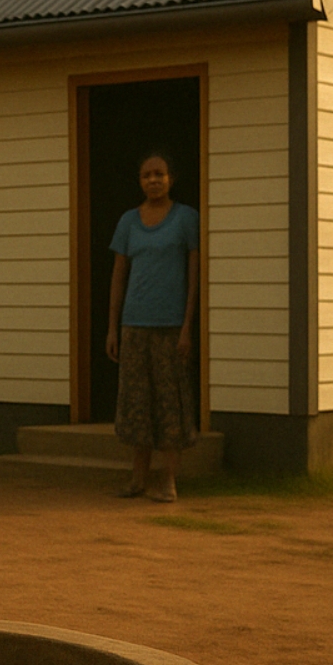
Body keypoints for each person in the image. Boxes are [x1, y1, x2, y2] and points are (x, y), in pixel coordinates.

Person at [105, 152, 199, 502]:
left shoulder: (186, 219)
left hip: (171, 325)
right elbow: (118, 276)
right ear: (140, 181)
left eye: (160, 174)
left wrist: (187, 326)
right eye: (147, 175)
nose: (153, 180)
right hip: (134, 324)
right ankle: (137, 480)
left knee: (170, 402)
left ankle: (169, 482)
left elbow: (194, 276)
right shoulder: (129, 222)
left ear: (171, 178)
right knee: (137, 403)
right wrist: (113, 328)